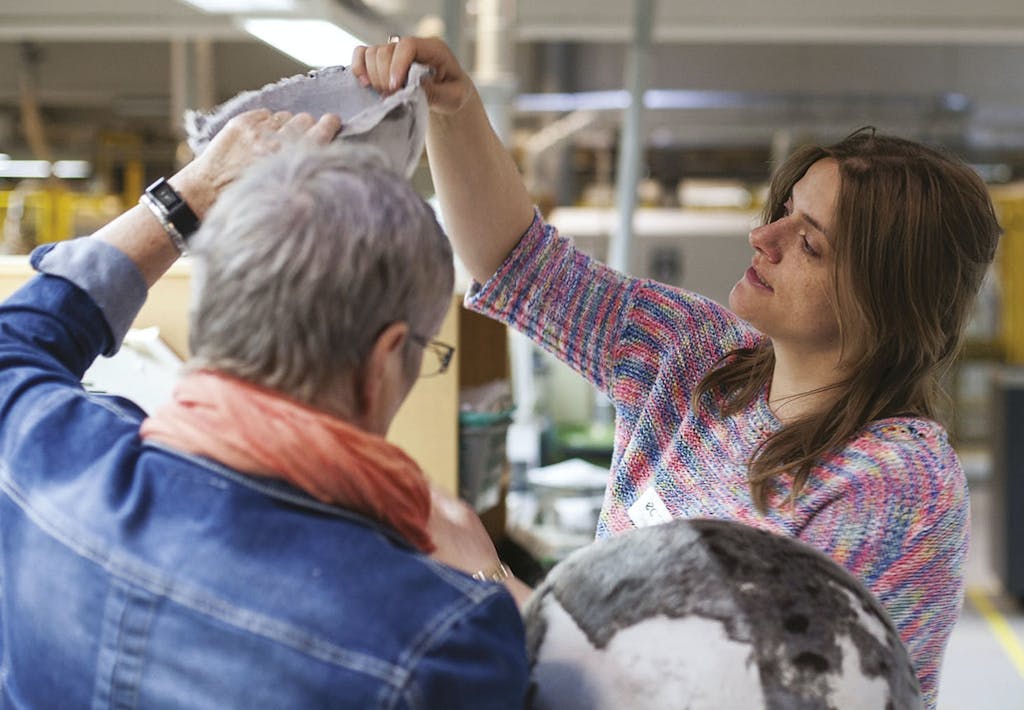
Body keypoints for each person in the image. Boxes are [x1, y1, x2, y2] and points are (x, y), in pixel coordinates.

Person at [352, 38, 1002, 709]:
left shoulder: (895, 484)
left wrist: (492, 584)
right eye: (783, 211)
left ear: (887, 299)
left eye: (808, 242)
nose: (764, 238)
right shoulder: (696, 356)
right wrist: (454, 110)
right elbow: (517, 264)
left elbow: (747, 696)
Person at [0, 109, 528, 707]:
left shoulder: (38, 455)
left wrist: (190, 196)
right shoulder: (439, 640)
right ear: (383, 362)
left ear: (215, 306)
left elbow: (18, 338)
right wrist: (488, 576)